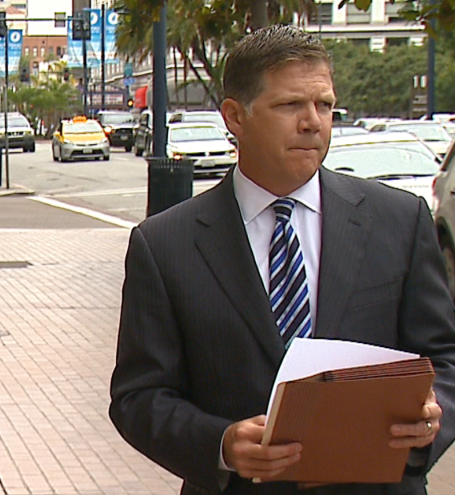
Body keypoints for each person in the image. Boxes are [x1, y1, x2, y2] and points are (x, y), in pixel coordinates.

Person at [109, 25, 455, 495]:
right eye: (290, 105)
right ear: (235, 117)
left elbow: (444, 359)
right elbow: (138, 396)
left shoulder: (400, 220)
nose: (312, 121)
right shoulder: (165, 244)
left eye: (324, 105)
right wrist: (222, 444)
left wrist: (432, 419)